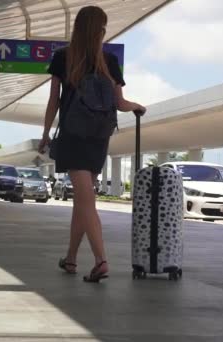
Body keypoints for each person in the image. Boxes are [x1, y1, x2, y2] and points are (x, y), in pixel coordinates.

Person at [38, 6, 146, 283]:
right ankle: (71, 258)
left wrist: (46, 133)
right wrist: (137, 107)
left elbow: (54, 101)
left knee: (85, 201)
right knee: (83, 201)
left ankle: (101, 261)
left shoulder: (64, 57)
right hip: (99, 136)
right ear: (98, 31)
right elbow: (121, 104)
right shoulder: (108, 60)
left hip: (74, 135)